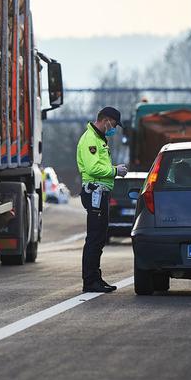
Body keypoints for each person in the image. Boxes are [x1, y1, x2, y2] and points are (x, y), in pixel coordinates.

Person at [76, 106, 128, 293]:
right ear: (106, 120)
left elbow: (98, 165)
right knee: (95, 239)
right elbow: (92, 169)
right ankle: (90, 281)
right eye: (113, 124)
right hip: (94, 193)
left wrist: (113, 169)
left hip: (100, 192)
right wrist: (115, 171)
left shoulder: (98, 139)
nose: (114, 128)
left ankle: (95, 278)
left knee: (99, 238)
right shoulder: (90, 139)